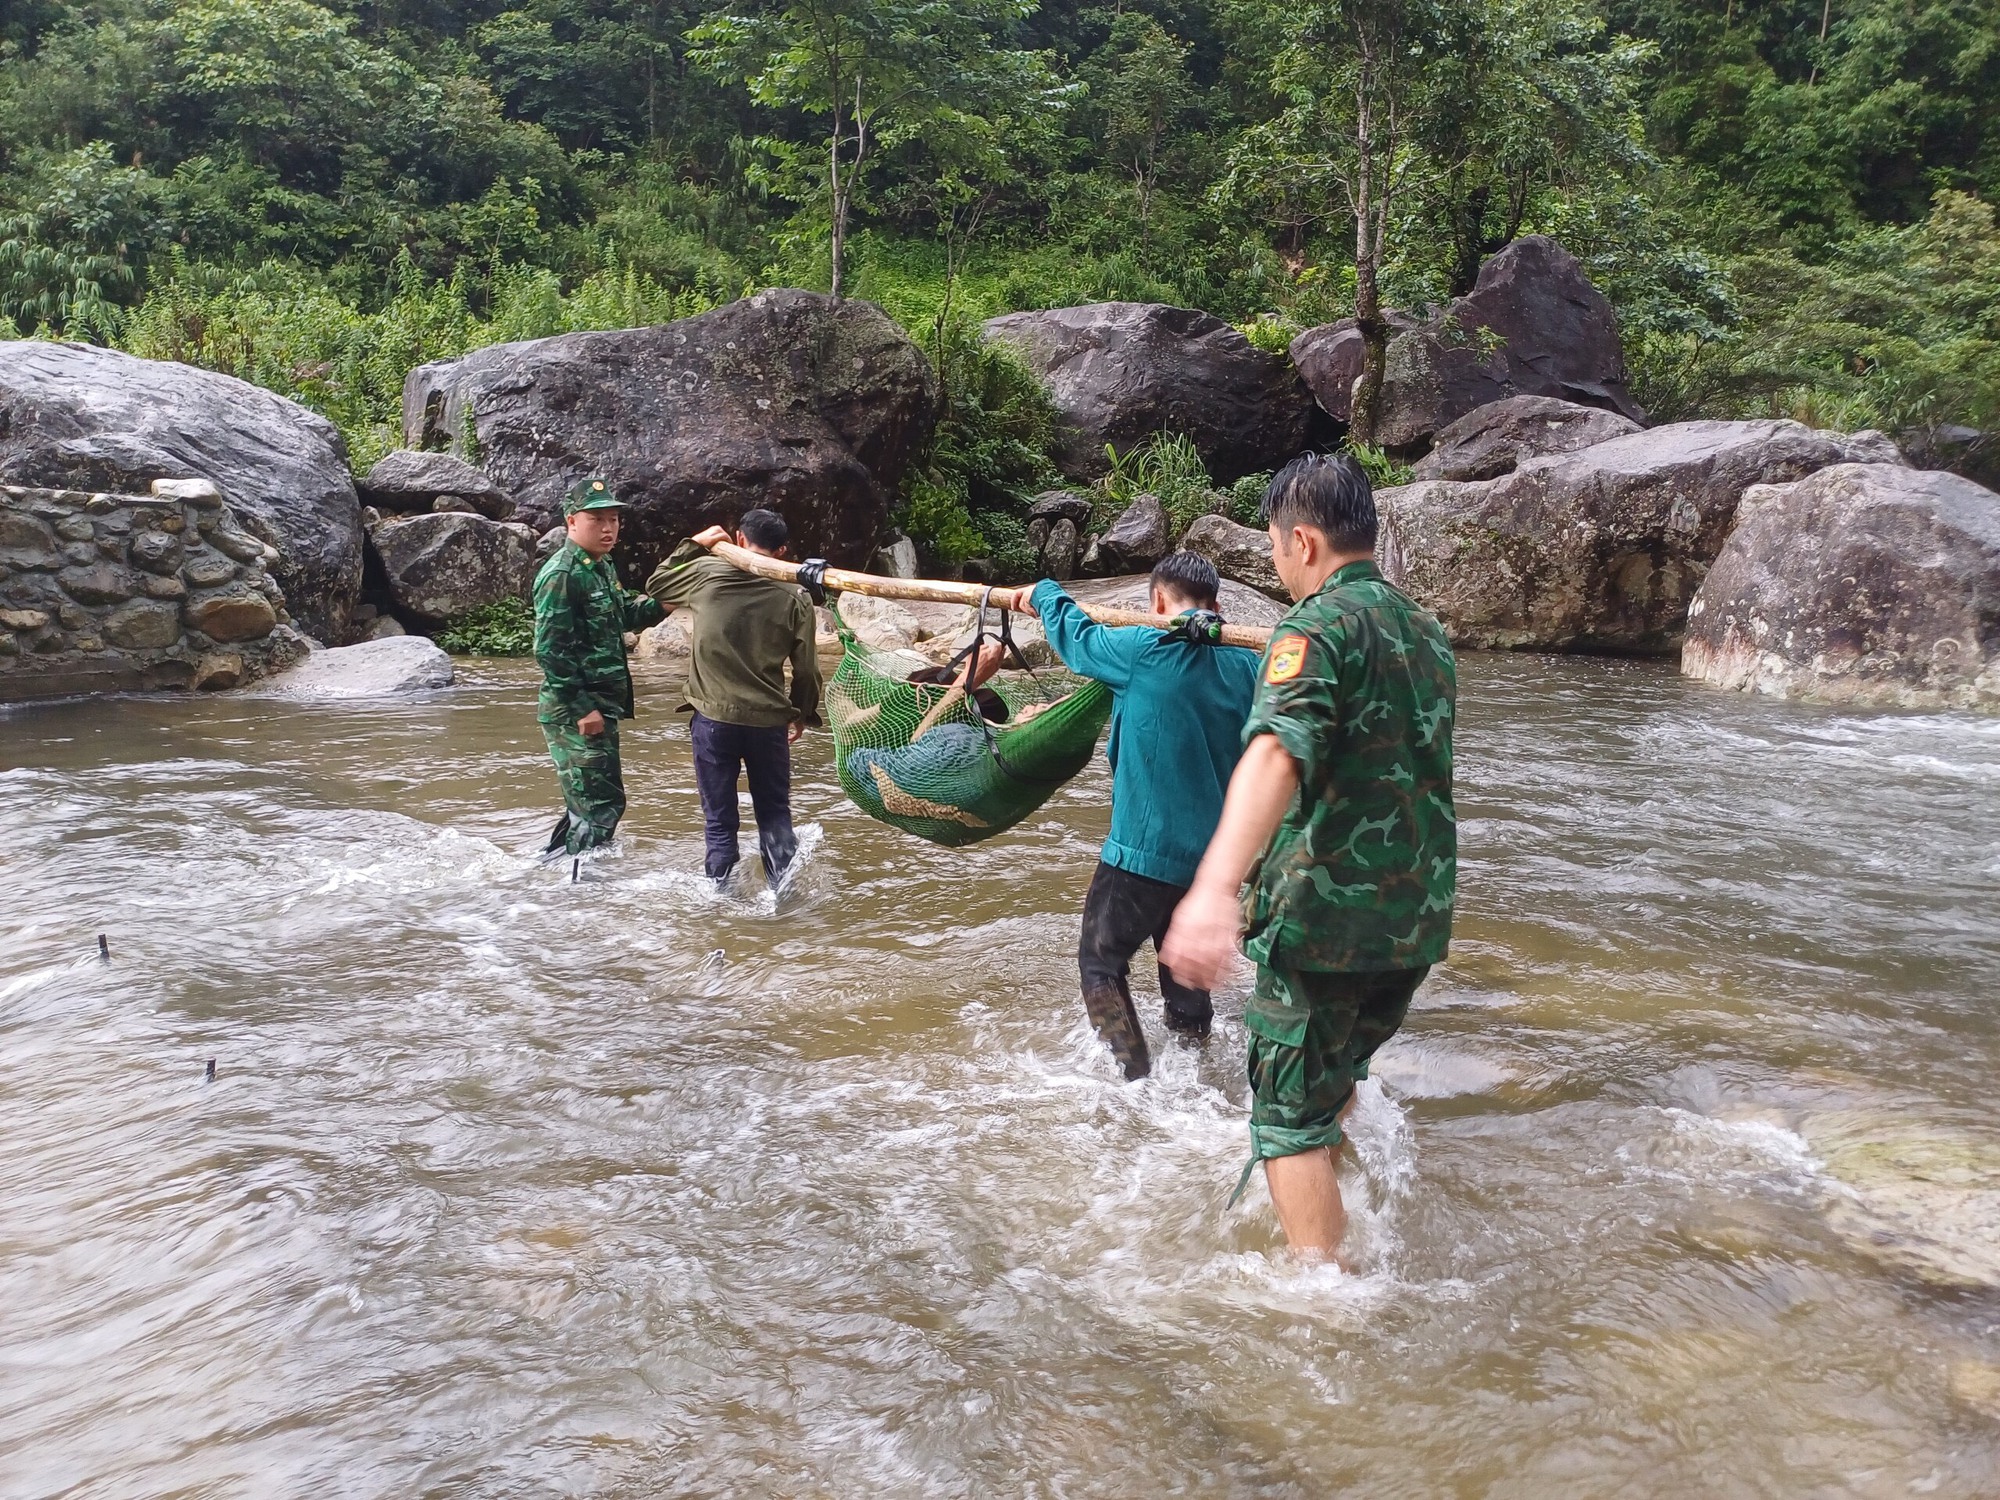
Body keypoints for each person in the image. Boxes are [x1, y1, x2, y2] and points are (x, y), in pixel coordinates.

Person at [1161, 453, 1457, 1264]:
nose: (1281, 565)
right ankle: (1339, 1206)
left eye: (1277, 548)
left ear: (1305, 541)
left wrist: (1214, 890)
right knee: (1333, 1076)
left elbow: (1274, 753)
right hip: (1414, 924)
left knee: (1286, 1113)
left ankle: (1325, 1303)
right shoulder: (1426, 631)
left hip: (1329, 920)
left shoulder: (1314, 628)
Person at [1014, 552, 1260, 1080]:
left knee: (1099, 965)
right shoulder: (1248, 666)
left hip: (1141, 856)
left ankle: (1134, 1078)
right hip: (1211, 864)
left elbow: (1075, 639)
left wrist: (1044, 593)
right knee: (1185, 968)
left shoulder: (1140, 650)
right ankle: (1194, 1066)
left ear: (1156, 603)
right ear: (1217, 606)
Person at [645, 510, 822, 886]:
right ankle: (782, 899)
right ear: (783, 550)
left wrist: (695, 544)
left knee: (719, 819)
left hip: (713, 721)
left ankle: (718, 896)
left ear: (739, 541)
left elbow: (656, 585)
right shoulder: (796, 594)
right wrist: (802, 713)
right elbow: (806, 670)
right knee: (775, 816)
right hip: (767, 723)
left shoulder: (705, 574)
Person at [532, 477, 665, 855]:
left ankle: (550, 875)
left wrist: (664, 605)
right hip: (575, 710)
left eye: (613, 520)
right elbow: (550, 650)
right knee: (601, 806)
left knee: (588, 802)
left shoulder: (600, 566)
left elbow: (623, 614)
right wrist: (582, 708)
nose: (608, 529)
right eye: (597, 520)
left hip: (598, 706)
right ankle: (581, 894)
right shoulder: (562, 574)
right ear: (572, 522)